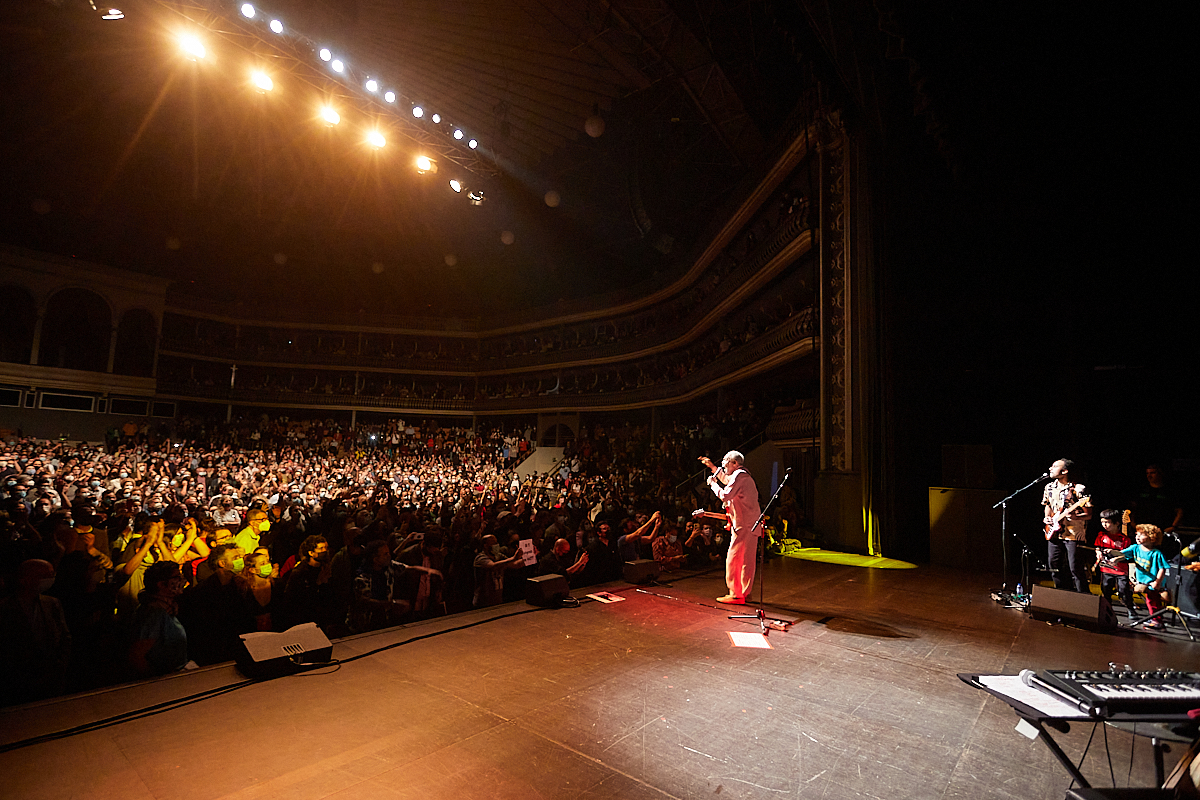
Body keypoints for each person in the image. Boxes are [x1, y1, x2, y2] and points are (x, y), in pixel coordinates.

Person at [699, 450, 762, 604]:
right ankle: (744, 593)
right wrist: (713, 467)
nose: (723, 464)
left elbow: (726, 494)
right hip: (747, 524)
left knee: (735, 559)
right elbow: (727, 479)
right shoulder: (741, 475)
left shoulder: (740, 476)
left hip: (744, 525)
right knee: (745, 560)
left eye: (726, 461)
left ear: (734, 463)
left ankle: (736, 594)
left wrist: (713, 483)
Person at [1105, 524, 1171, 629]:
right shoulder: (1135, 548)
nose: (1137, 537)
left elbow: (1163, 568)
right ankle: (1155, 617)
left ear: (1152, 538)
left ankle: (1157, 621)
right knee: (1150, 601)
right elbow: (1122, 554)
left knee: (1152, 601)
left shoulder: (1156, 553)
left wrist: (1157, 582)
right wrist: (1112, 554)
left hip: (1152, 582)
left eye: (1141, 535)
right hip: (1143, 581)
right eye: (1137, 535)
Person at [1041, 459, 1091, 593]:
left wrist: (1076, 517)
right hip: (1054, 532)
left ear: (1065, 471)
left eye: (1055, 466)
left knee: (1075, 567)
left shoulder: (1078, 488)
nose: (1051, 468)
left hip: (1074, 534)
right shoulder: (1049, 487)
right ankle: (1062, 594)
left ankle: (1084, 597)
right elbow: (1048, 504)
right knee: (1054, 565)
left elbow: (1089, 514)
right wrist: (1048, 517)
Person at [1093, 509, 1136, 619]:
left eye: (1107, 522)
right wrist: (1098, 553)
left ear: (1117, 523)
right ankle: (1107, 609)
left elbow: (1127, 554)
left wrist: (1117, 557)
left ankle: (1130, 608)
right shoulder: (1102, 535)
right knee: (1106, 589)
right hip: (1106, 569)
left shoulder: (1124, 538)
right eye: (1102, 522)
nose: (1104, 525)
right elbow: (1098, 547)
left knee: (1123, 590)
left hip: (1121, 570)